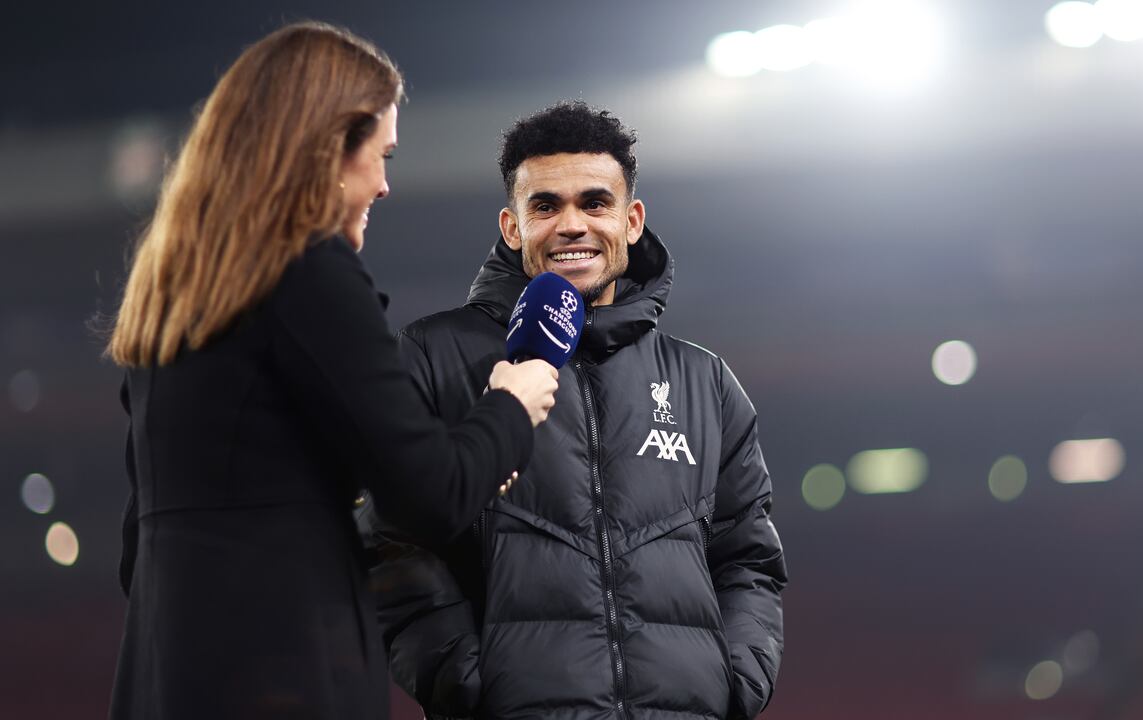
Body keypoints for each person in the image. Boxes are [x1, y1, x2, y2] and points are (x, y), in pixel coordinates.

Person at [105, 22, 558, 720]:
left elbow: (137, 557)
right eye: (381, 155)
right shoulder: (310, 275)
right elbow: (430, 493)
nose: (383, 185)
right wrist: (511, 404)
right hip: (284, 676)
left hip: (164, 680)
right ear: (324, 151)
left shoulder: (169, 297)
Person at [361, 101, 786, 719]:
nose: (572, 225)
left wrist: (735, 684)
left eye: (594, 203)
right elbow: (391, 543)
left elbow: (748, 558)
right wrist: (469, 684)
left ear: (631, 220)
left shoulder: (706, 383)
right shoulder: (431, 357)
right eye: (545, 206)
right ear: (512, 227)